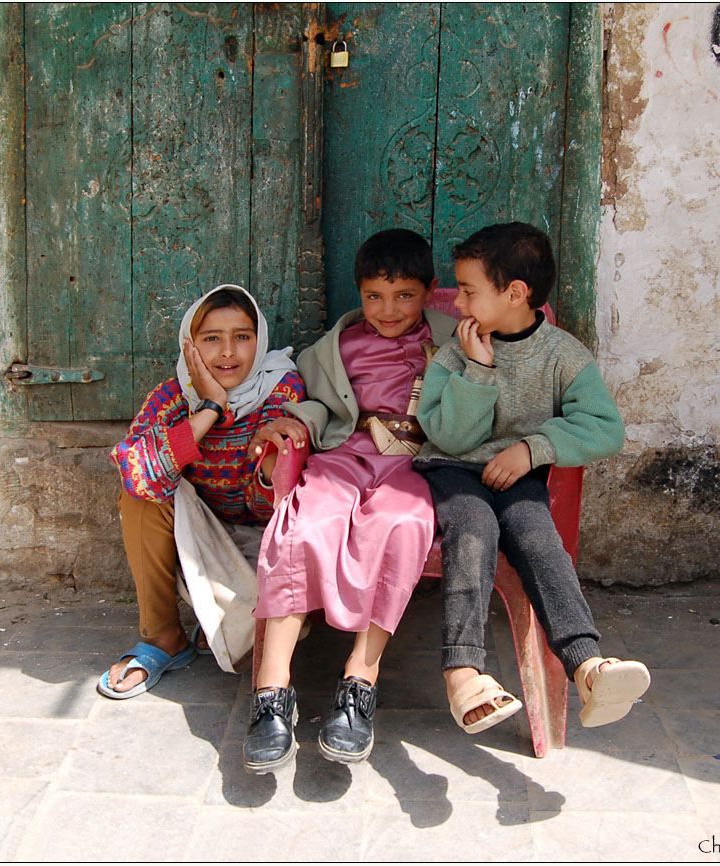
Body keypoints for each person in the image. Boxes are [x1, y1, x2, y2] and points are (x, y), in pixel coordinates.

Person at [415, 222, 651, 735]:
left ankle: (588, 667)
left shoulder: (564, 355)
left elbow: (605, 429)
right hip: (454, 470)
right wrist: (477, 371)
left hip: (518, 476)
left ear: (516, 293)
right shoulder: (457, 352)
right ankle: (464, 673)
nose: (459, 304)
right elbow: (448, 437)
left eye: (470, 291)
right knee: (474, 528)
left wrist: (533, 449)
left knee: (538, 536)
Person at [243, 228, 459, 773]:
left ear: (430, 290)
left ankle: (359, 683)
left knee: (402, 523)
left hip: (415, 462)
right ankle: (272, 692)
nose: (388, 310)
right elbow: (320, 404)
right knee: (303, 524)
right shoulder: (337, 346)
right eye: (374, 296)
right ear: (358, 293)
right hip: (348, 452)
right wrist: (297, 421)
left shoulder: (458, 341)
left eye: (405, 296)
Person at [100, 284, 305, 699]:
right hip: (198, 537)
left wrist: (267, 463)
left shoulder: (279, 388)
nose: (228, 352)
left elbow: (275, 499)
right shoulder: (174, 396)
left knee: (247, 649)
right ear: (190, 346)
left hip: (268, 541)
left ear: (259, 340)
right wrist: (210, 408)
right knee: (141, 499)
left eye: (242, 337)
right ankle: (163, 638)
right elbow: (138, 475)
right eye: (211, 339)